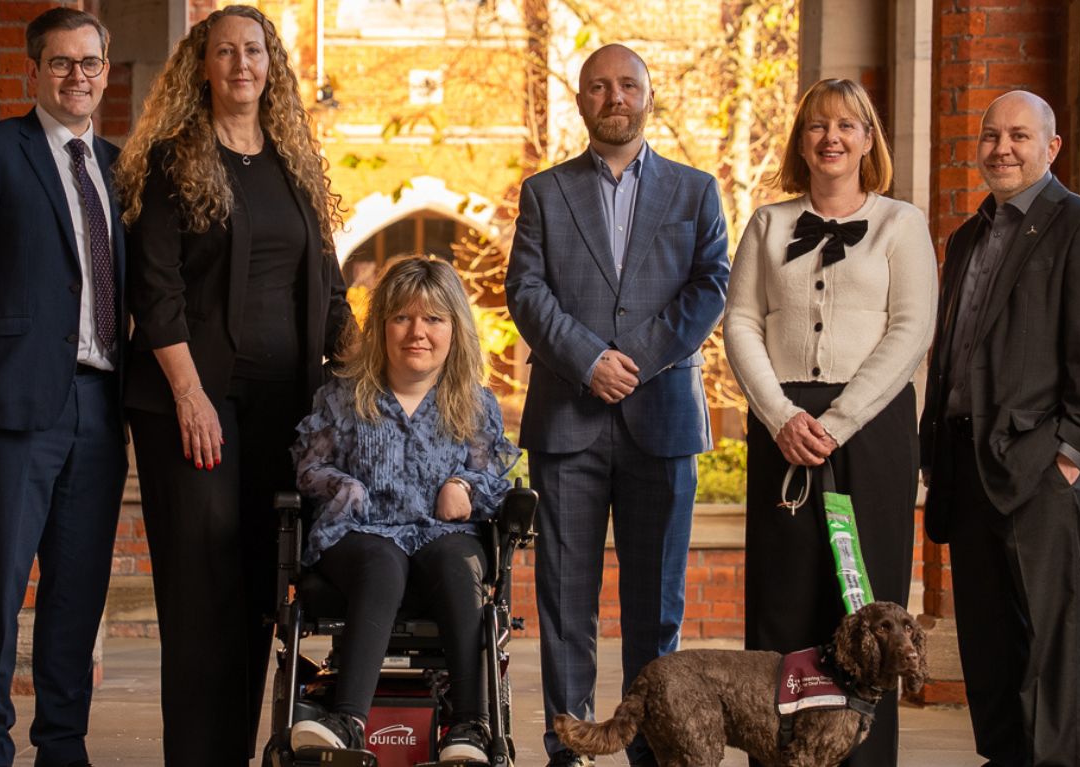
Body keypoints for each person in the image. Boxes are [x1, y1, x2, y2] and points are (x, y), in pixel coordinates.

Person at [113, 5, 352, 762]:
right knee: (202, 588)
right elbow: (155, 290)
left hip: (286, 409)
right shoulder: (172, 160)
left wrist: (374, 377)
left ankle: (237, 751)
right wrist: (190, 396)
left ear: (270, 65)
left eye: (254, 50)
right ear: (202, 66)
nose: (241, 64)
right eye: (225, 52)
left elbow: (331, 292)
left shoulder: (294, 163)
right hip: (193, 406)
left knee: (260, 587)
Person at [504, 44, 730, 767]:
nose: (615, 98)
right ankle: (568, 750)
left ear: (648, 97)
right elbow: (525, 290)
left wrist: (630, 360)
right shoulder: (544, 192)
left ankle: (651, 751)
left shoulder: (696, 191)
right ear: (581, 102)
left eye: (628, 85)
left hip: (662, 420)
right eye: (599, 87)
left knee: (656, 609)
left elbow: (711, 285)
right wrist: (588, 360)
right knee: (565, 604)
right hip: (567, 422)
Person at [0, 9, 126, 767]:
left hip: (99, 404)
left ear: (106, 72)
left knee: (78, 589)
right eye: (61, 63)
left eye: (90, 63)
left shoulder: (119, 167)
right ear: (33, 70)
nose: (77, 77)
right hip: (11, 408)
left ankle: (62, 745)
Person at [723, 78, 936, 767]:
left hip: (872, 432)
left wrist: (838, 422)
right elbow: (741, 323)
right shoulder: (768, 223)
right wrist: (781, 414)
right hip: (782, 429)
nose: (831, 138)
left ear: (869, 139)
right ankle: (778, 750)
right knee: (784, 599)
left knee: (867, 606)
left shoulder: (902, 224)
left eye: (847, 125)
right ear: (801, 140)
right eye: (817, 125)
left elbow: (911, 331)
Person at [920, 90, 1080, 767]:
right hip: (967, 463)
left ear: (1051, 147)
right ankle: (1006, 758)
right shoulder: (967, 237)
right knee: (989, 637)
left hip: (1040, 466)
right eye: (991, 136)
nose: (1001, 148)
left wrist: (1070, 455)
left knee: (1052, 639)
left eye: (1018, 135)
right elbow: (952, 351)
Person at [287, 256, 520, 762]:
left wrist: (463, 484)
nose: (418, 332)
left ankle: (470, 728)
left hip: (442, 537)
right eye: (402, 317)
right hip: (359, 535)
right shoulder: (343, 396)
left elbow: (495, 481)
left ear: (454, 329)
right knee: (382, 562)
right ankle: (347, 722)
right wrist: (343, 484)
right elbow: (308, 468)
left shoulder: (473, 403)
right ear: (382, 326)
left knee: (457, 564)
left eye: (434, 318)